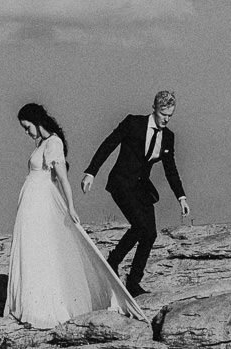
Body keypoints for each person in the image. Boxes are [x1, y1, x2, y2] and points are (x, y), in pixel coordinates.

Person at [5, 102, 145, 328]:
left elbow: (62, 179)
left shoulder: (53, 143)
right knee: (30, 251)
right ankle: (28, 304)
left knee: (38, 250)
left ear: (37, 121)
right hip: (31, 205)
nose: (26, 132)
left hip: (40, 205)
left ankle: (41, 308)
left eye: (27, 126)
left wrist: (70, 207)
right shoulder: (42, 143)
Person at [80, 90, 189, 296]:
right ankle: (113, 260)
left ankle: (133, 282)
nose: (166, 119)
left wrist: (181, 197)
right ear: (154, 109)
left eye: (170, 115)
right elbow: (108, 144)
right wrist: (91, 172)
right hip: (121, 183)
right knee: (140, 225)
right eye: (163, 114)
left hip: (141, 188)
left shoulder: (168, 137)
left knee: (150, 233)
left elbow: (170, 169)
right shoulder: (133, 123)